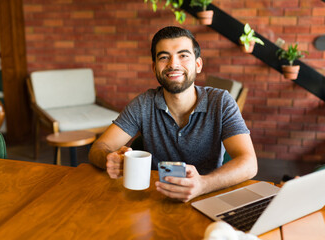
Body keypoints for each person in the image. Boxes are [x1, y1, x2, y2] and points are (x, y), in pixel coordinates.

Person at [89, 26, 257, 202]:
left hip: (209, 197)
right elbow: (99, 147)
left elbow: (249, 163)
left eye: (183, 55)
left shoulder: (221, 101)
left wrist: (203, 184)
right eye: (164, 57)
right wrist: (109, 158)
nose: (173, 64)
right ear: (154, 68)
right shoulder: (143, 103)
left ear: (198, 64)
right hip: (156, 198)